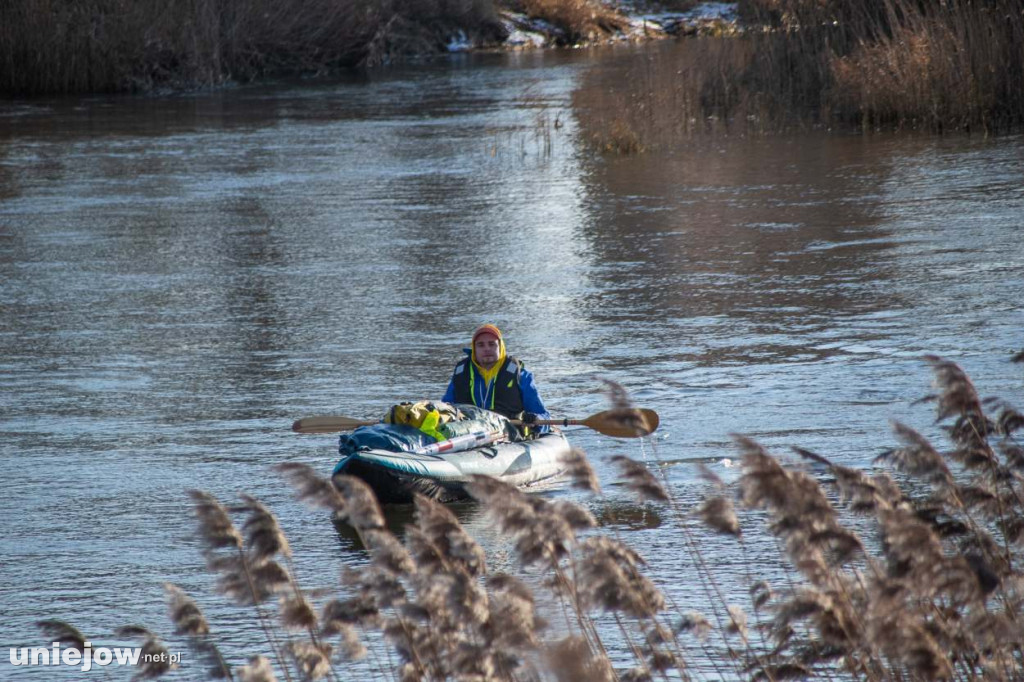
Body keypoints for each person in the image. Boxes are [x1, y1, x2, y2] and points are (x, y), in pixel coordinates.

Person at [442, 323, 550, 433]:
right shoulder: (461, 373)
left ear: (500, 346)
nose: (487, 349)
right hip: (468, 433)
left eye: (492, 344)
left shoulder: (522, 376)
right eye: (481, 345)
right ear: (474, 349)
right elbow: (446, 407)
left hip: (509, 435)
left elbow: (544, 416)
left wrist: (536, 419)